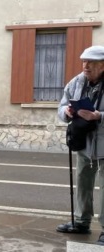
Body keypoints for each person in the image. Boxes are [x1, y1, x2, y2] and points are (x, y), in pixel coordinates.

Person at [56, 45, 104, 245]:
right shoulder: (76, 82)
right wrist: (65, 113)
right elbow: (61, 106)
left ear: (102, 65)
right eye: (84, 61)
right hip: (84, 143)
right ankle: (82, 221)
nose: (86, 65)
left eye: (91, 62)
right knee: (83, 184)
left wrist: (98, 116)